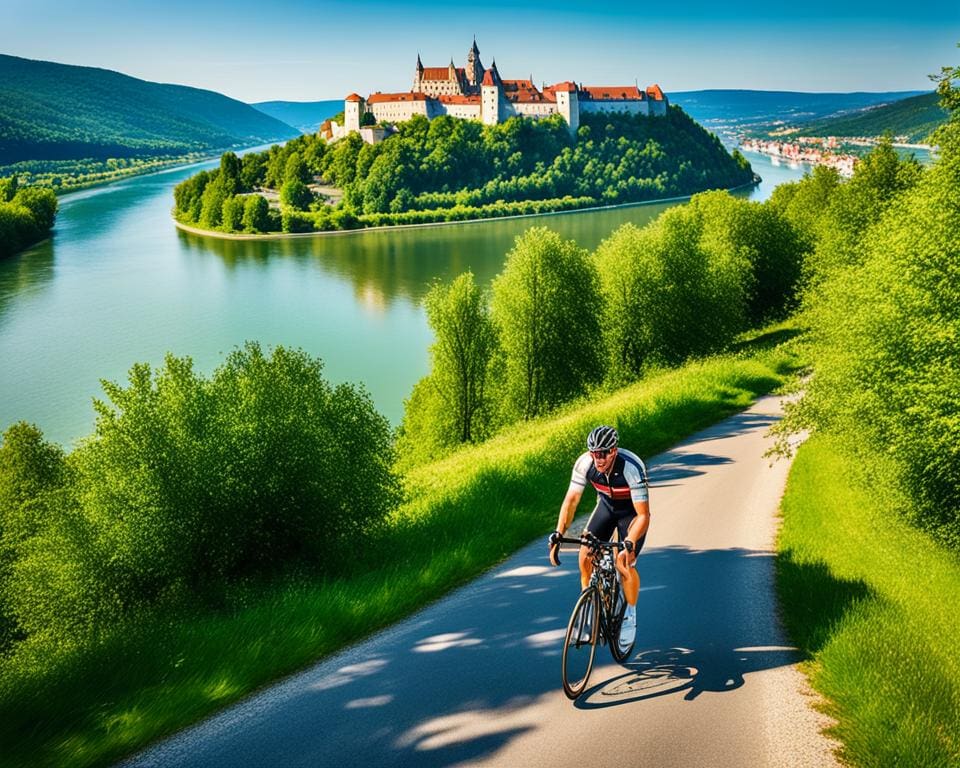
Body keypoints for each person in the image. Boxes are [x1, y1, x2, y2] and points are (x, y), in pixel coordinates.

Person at [548, 425, 650, 646]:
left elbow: (644, 515)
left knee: (623, 563)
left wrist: (629, 543)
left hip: (630, 514)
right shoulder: (585, 464)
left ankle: (629, 616)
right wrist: (559, 533)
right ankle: (589, 614)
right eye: (594, 453)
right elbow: (571, 501)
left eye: (602, 454)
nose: (598, 458)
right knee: (584, 556)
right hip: (605, 507)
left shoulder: (631, 467)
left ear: (613, 451)